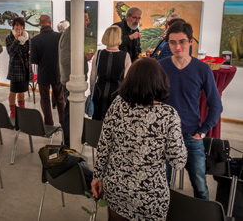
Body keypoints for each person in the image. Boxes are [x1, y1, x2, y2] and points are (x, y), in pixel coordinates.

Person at [91, 57, 187, 221]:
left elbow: (104, 144)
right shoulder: (168, 115)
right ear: (160, 81)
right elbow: (178, 162)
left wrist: (97, 176)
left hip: (116, 188)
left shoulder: (118, 104)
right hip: (150, 196)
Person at [159, 21, 223, 200]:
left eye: (182, 41)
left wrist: (202, 132)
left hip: (191, 135)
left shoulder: (202, 69)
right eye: (172, 42)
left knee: (201, 187)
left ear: (190, 42)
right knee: (162, 186)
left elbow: (216, 105)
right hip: (164, 136)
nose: (177, 46)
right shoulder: (161, 66)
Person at [59, 10, 93, 146]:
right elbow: (66, 60)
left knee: (71, 114)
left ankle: (70, 142)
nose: (88, 22)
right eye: (86, 19)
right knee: (69, 115)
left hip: (70, 81)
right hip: (70, 82)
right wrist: (85, 58)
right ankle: (68, 144)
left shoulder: (73, 34)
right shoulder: (69, 36)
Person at [89, 26, 131, 120]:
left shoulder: (99, 53)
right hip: (117, 93)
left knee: (97, 120)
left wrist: (92, 89)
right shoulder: (125, 56)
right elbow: (127, 80)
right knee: (114, 121)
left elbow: (93, 76)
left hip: (99, 91)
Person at [30, 15, 65, 125]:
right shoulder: (59, 37)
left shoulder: (35, 40)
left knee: (45, 100)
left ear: (40, 24)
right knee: (60, 99)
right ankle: (63, 123)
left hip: (43, 74)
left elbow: (34, 60)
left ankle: (49, 124)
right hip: (57, 72)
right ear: (50, 23)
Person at [6, 17, 33, 118]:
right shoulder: (9, 38)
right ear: (13, 26)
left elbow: (29, 51)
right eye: (17, 25)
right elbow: (10, 52)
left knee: (22, 90)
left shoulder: (27, 37)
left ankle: (21, 110)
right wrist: (16, 40)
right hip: (15, 69)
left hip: (25, 69)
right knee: (13, 91)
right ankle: (13, 111)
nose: (19, 27)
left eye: (21, 25)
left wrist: (31, 53)